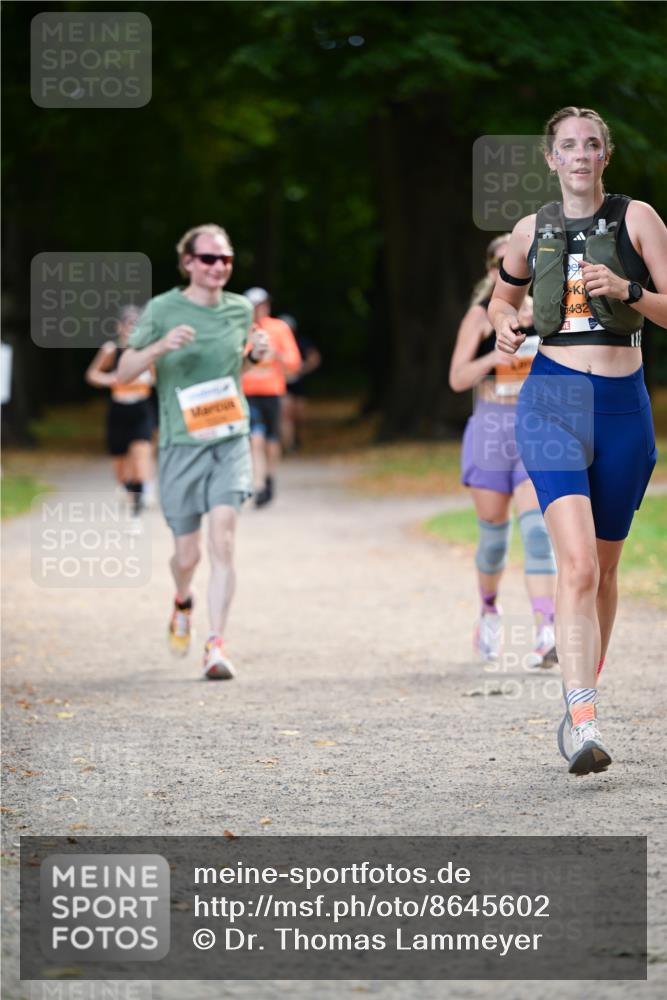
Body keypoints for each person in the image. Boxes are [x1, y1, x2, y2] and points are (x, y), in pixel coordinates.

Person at [489, 106, 666, 776]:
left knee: (606, 570)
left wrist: (628, 289)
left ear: (605, 156)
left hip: (622, 406)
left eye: (592, 144)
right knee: (579, 567)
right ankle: (583, 717)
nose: (581, 154)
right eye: (569, 145)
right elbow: (500, 301)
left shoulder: (636, 220)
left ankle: (582, 694)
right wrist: (503, 324)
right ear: (551, 158)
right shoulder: (528, 230)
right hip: (552, 399)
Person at [116, 224, 270, 680]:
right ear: (188, 263)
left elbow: (235, 369)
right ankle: (183, 599)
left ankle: (215, 644)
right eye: (208, 259)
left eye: (226, 259)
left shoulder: (240, 309)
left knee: (223, 538)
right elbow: (124, 370)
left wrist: (255, 356)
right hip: (182, 444)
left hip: (229, 436)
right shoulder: (163, 309)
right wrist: (159, 346)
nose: (218, 266)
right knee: (188, 557)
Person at [449, 237, 557, 667]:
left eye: (519, 260)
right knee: (494, 539)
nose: (507, 268)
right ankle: (489, 612)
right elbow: (458, 378)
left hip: (537, 429)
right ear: (491, 271)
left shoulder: (549, 312)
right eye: (499, 262)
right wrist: (493, 357)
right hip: (491, 431)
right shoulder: (479, 317)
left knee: (538, 532)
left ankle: (546, 629)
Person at [85, 304, 155, 526]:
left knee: (141, 453)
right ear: (119, 327)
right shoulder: (110, 350)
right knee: (121, 466)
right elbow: (92, 374)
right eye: (128, 324)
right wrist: (111, 379)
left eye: (136, 324)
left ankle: (139, 506)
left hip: (141, 409)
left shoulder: (147, 352)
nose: (131, 328)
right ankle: (128, 488)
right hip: (118, 410)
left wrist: (145, 378)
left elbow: (157, 377)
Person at [241, 288, 301, 506]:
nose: (260, 309)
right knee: (255, 439)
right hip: (247, 393)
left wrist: (277, 355)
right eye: (256, 306)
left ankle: (269, 477)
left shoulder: (279, 328)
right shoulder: (240, 329)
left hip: (272, 392)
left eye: (263, 304)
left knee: (271, 441)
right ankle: (258, 485)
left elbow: (294, 363)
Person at [278, 313, 322, 452]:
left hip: (299, 383)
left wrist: (303, 369)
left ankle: (299, 440)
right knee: (286, 414)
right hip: (282, 384)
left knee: (299, 415)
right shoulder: (275, 342)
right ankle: (288, 446)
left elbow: (315, 358)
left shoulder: (302, 342)